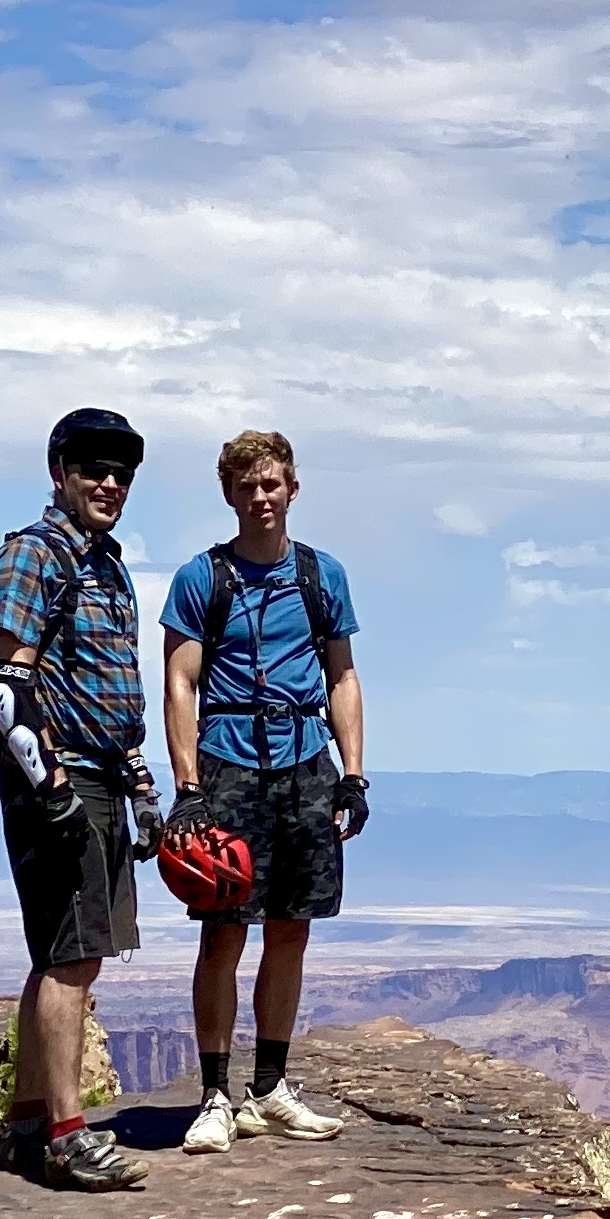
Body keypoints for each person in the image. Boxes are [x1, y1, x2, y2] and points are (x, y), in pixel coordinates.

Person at [160, 428, 368, 1149]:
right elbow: (180, 683)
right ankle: (216, 1096)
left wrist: (354, 772)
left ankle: (270, 1089)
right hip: (226, 766)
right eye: (247, 486)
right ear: (228, 493)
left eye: (272, 483)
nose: (261, 497)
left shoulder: (321, 576)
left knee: (291, 929)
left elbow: (342, 676)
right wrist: (187, 788)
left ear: (292, 488)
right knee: (223, 932)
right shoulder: (201, 579)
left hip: (306, 763)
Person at [0, 407, 159, 1191]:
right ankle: (64, 1134)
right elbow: (6, 687)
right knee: (72, 957)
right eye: (93, 468)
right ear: (59, 472)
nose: (109, 483)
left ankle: (27, 1125)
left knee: (61, 953)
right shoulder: (34, 555)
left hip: (101, 777)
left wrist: (143, 789)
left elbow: (110, 691)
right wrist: (50, 785)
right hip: (59, 779)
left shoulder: (107, 564)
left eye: (121, 472)